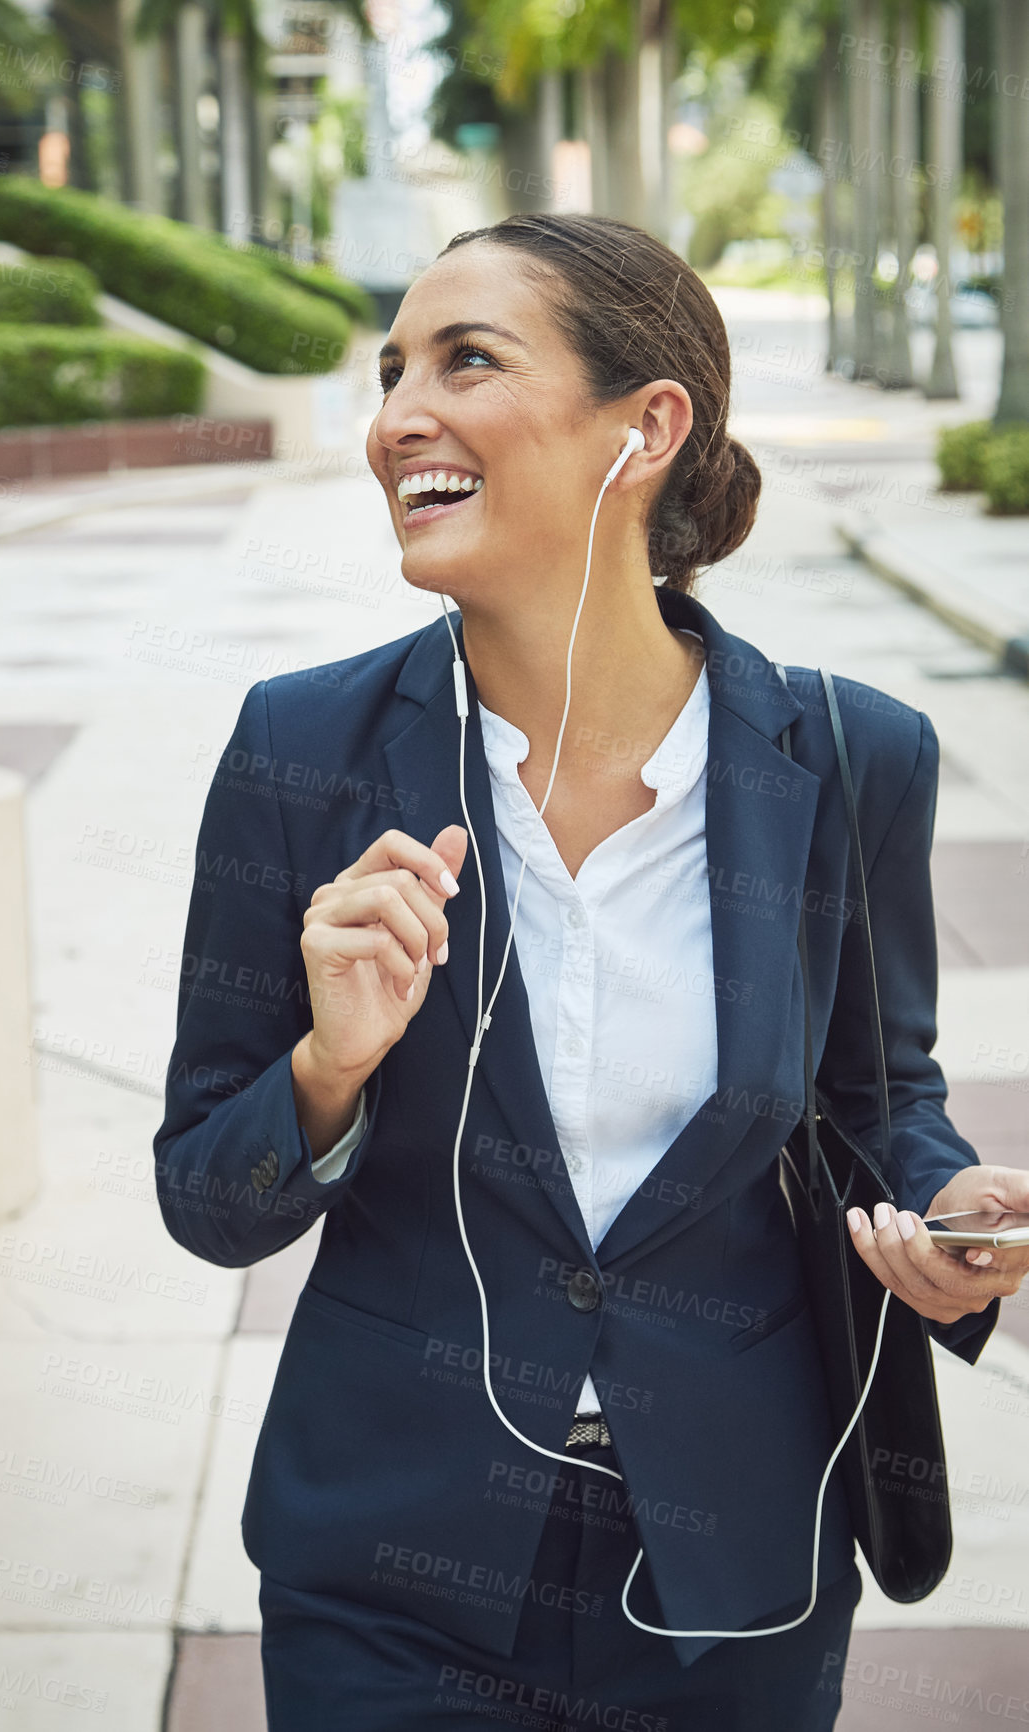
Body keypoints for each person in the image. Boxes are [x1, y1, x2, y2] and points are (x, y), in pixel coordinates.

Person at [153, 215, 1029, 1731]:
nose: (394, 419)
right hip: (385, 1570)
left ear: (646, 427)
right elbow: (203, 1195)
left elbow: (879, 1106)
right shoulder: (300, 752)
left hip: (732, 1566)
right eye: (389, 371)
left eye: (465, 360)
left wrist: (950, 1215)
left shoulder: (849, 756)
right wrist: (327, 1072)